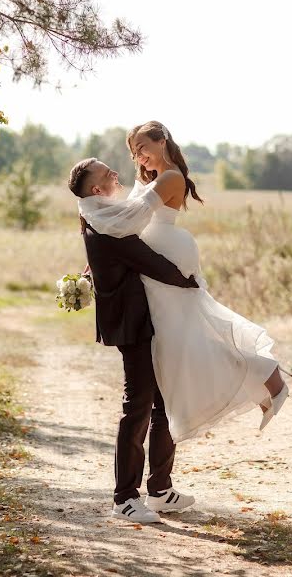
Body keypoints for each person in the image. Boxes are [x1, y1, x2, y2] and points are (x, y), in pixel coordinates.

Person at [74, 120, 290, 447]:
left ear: (161, 141)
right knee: (187, 342)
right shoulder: (150, 178)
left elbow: (132, 217)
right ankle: (260, 383)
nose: (139, 156)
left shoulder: (172, 177)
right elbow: (127, 223)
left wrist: (93, 214)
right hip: (152, 259)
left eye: (143, 147)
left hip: (167, 258)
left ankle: (267, 378)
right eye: (134, 151)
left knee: (192, 338)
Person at [68, 158, 199, 524]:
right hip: (134, 324)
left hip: (144, 319)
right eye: (107, 173)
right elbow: (149, 261)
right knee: (138, 408)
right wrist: (191, 283)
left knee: (161, 401)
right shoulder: (109, 224)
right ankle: (124, 497)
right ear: (96, 189)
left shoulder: (100, 214)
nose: (115, 174)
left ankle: (159, 490)